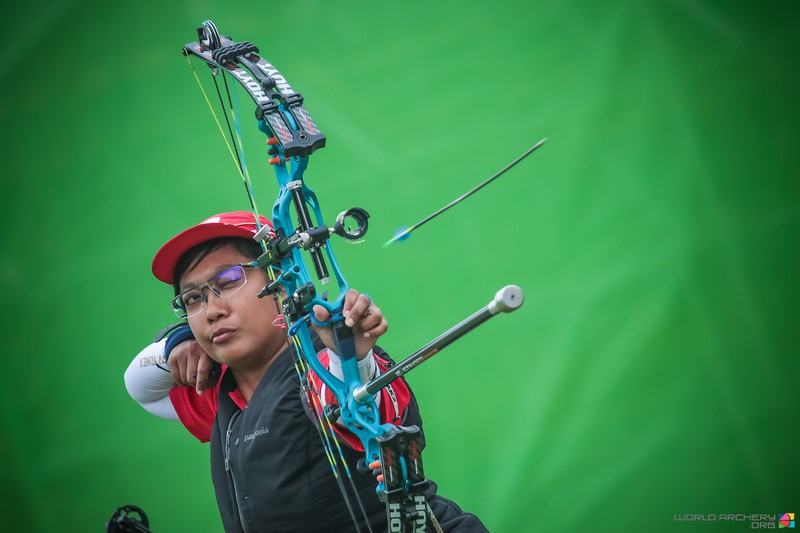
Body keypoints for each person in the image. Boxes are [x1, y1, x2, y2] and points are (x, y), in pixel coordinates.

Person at [124, 211, 488, 532]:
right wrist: (179, 341)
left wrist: (353, 358)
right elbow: (139, 386)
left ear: (281, 281)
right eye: (193, 299)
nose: (212, 310)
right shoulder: (221, 393)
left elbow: (362, 405)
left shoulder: (324, 360)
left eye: (229, 280)